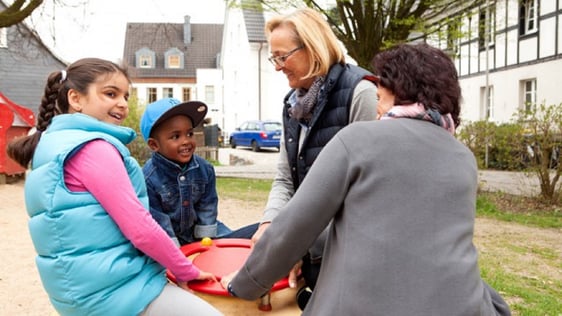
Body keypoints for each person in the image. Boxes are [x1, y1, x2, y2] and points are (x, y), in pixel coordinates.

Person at [221, 43, 512, 315]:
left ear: (401, 88)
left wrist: (245, 282)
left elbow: (294, 226)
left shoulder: (357, 139)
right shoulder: (463, 157)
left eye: (381, 87)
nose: (376, 97)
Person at [6, 58, 222, 316]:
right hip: (116, 291)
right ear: (76, 98)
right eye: (110, 93)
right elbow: (140, 227)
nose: (122, 103)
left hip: (77, 289)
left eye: (125, 96)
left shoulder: (50, 146)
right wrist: (184, 269)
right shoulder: (92, 148)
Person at [250, 7, 378, 307]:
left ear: (313, 47)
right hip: (306, 233)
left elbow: (362, 197)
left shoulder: (361, 93)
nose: (278, 67)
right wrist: (270, 225)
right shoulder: (292, 104)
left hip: (347, 247)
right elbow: (285, 179)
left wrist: (297, 244)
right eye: (274, 58)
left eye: (283, 56)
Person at [140, 98, 258, 246]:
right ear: (154, 144)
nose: (186, 141)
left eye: (189, 134)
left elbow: (207, 206)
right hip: (169, 240)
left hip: (202, 233)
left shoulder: (205, 169)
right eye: (176, 136)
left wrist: (206, 240)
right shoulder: (147, 179)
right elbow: (158, 221)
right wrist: (175, 253)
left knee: (253, 235)